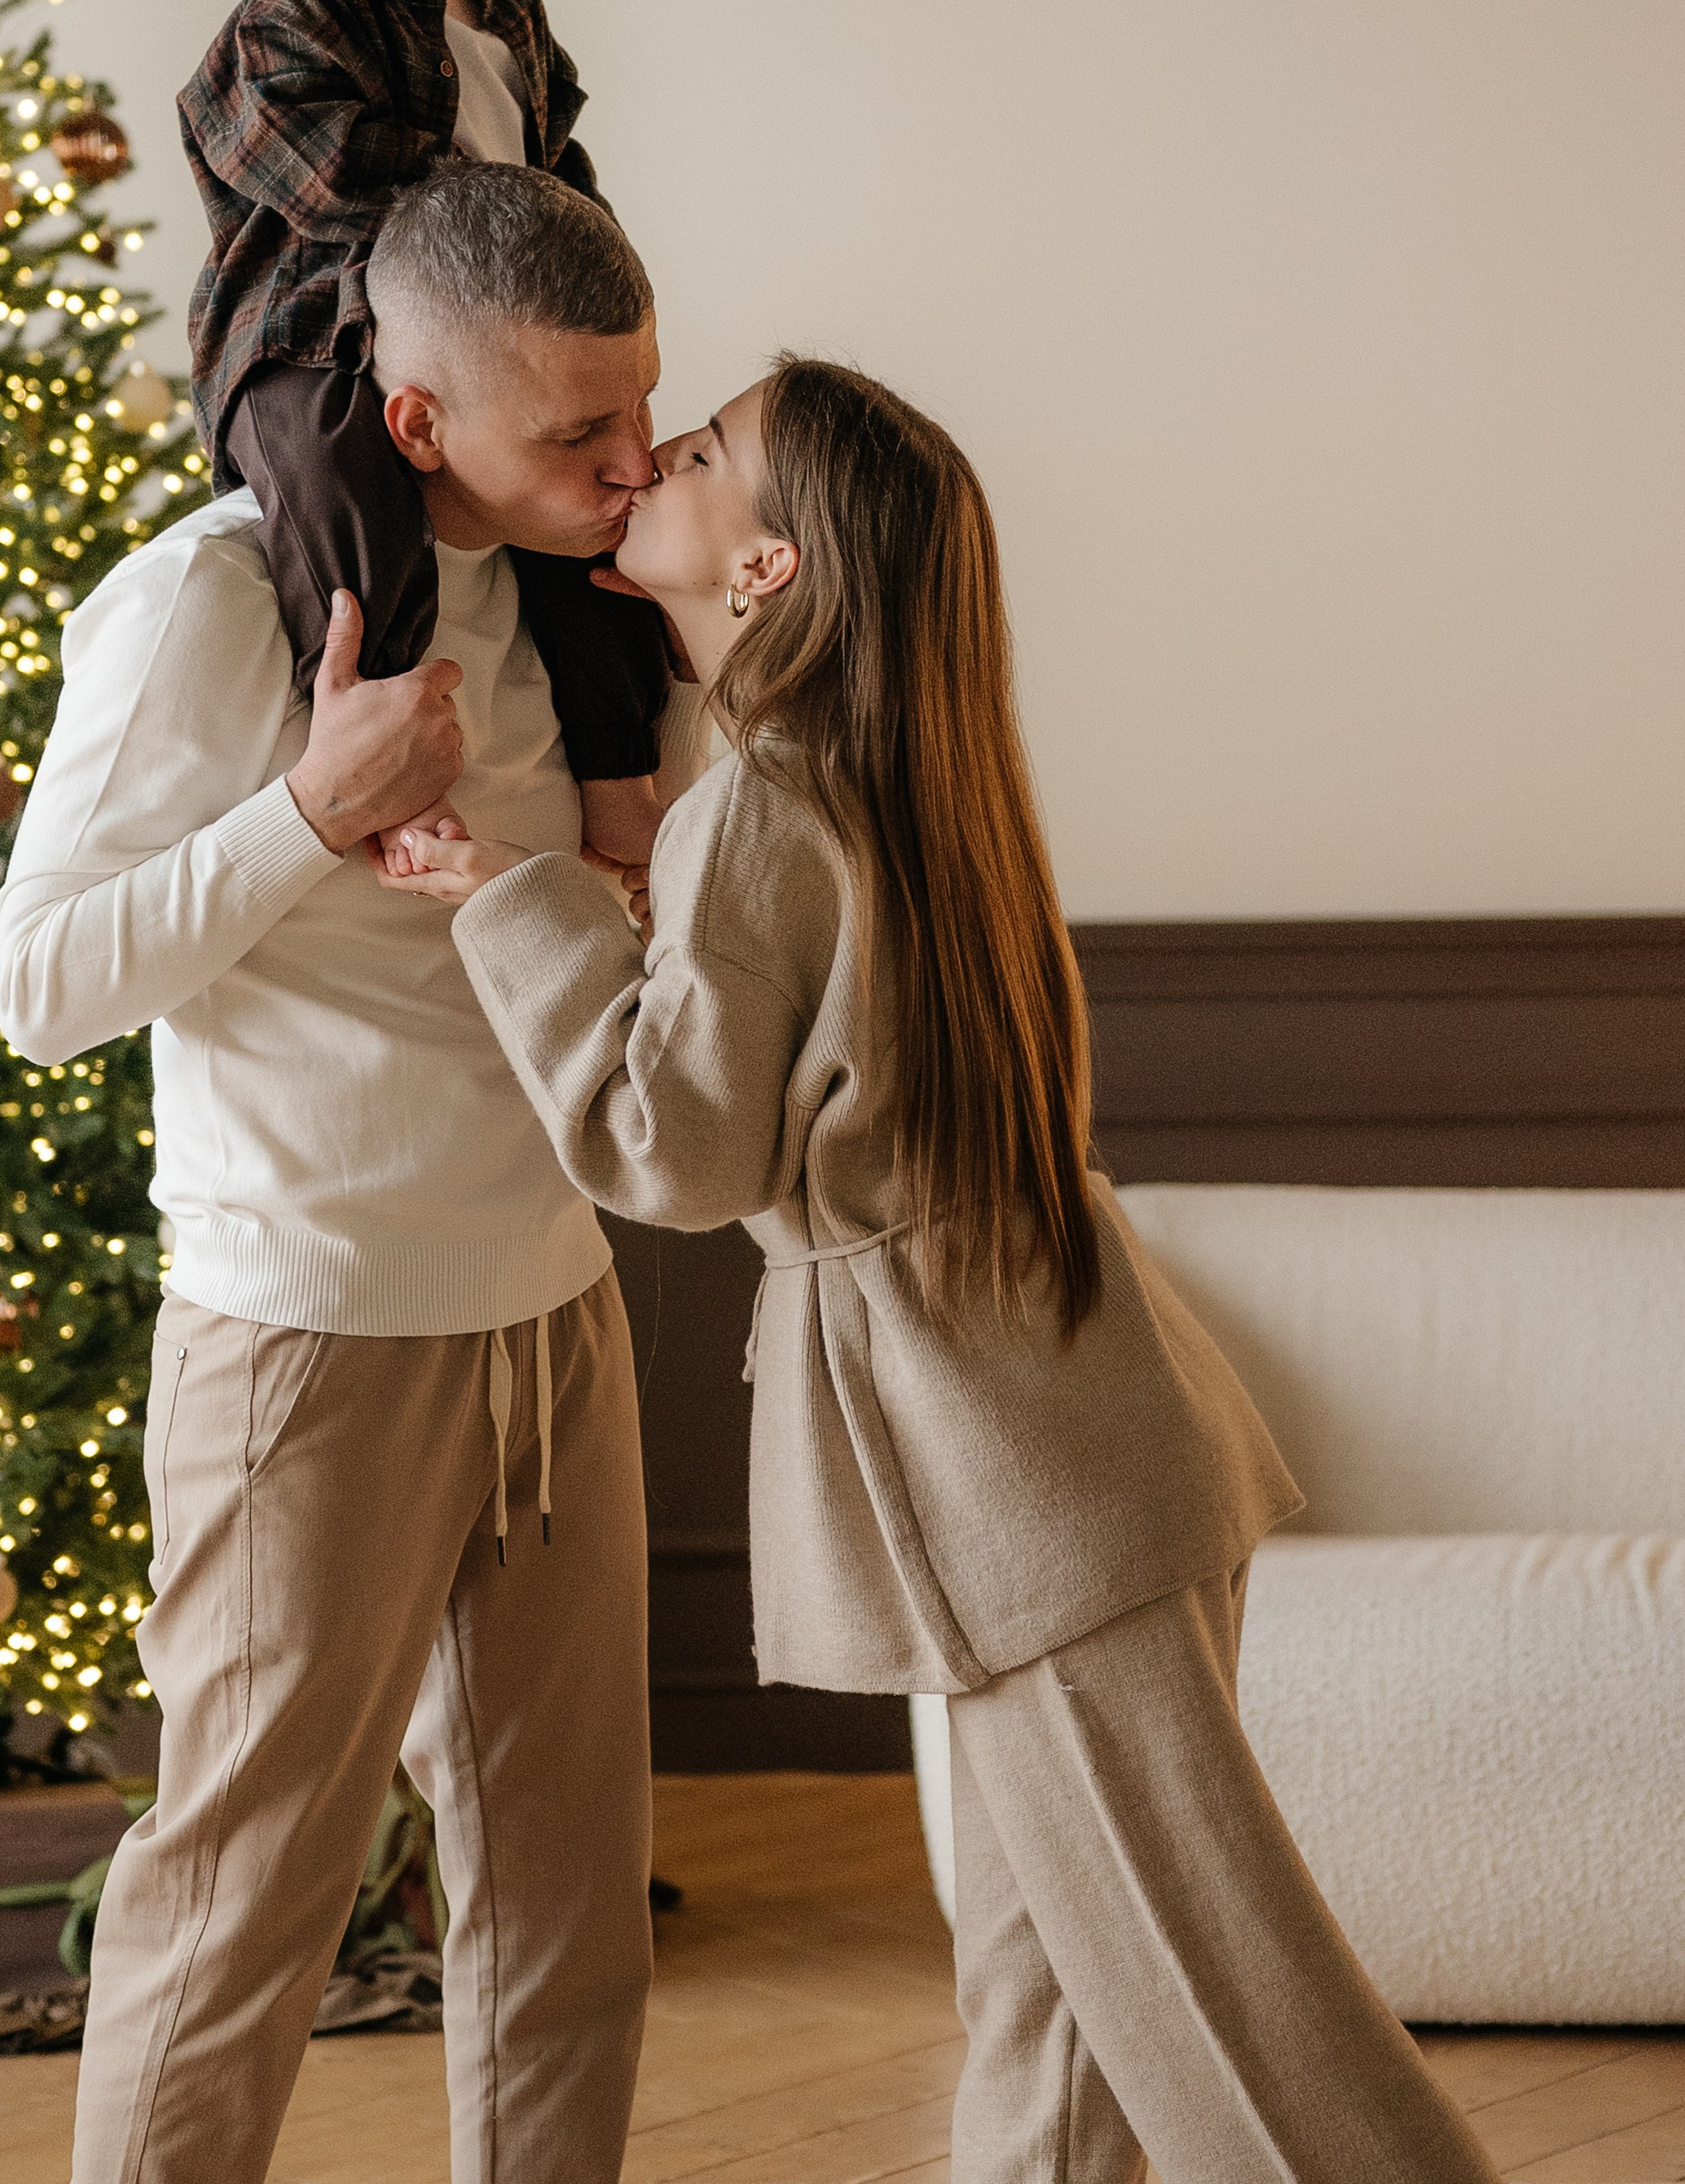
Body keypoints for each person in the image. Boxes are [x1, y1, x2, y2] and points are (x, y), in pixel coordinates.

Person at [381, 356, 1501, 2184]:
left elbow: (674, 1150)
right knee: (1054, 2000)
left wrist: (503, 898)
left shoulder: (762, 803)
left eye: (699, 451)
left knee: (1219, 2005)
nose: (652, 460)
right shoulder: (885, 775)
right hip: (1077, 1434)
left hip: (1015, 1467)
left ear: (766, 567)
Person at [0, 165, 702, 2184]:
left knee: (568, 1912)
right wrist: (310, 808)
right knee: (238, 1914)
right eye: (574, 430)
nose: (626, 463)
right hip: (304, 1340)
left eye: (639, 407)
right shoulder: (210, 600)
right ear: (415, 419)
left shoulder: (583, 608)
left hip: (552, 1310)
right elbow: (40, 985)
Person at [179, 0, 670, 875]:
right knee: (346, 502)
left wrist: (585, 263)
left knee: (596, 506)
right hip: (319, 346)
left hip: (503, 353)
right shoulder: (297, 8)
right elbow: (302, 158)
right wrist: (479, 224)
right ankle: (378, 749)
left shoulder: (507, 16)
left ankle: (623, 776)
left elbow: (562, 175)